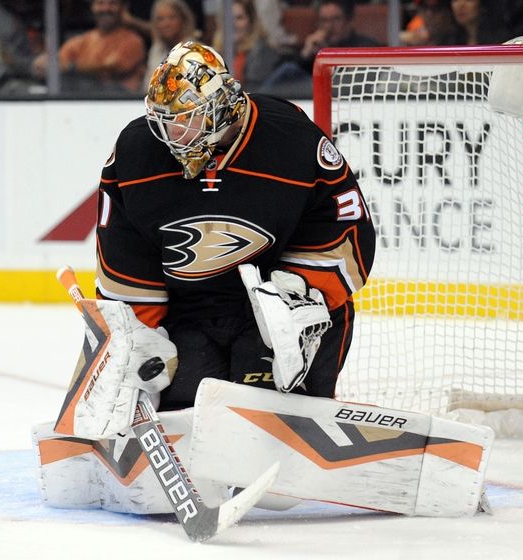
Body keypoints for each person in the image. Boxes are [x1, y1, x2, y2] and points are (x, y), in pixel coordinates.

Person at [97, 40, 375, 409]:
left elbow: (344, 222)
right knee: (183, 405)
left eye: (184, 119)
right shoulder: (136, 152)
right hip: (190, 316)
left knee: (267, 409)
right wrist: (138, 332)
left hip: (273, 312)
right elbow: (123, 244)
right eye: (163, 120)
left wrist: (298, 294)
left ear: (221, 109)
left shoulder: (288, 138)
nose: (171, 134)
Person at [261, 0, 381, 97]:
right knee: (289, 69)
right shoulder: (314, 48)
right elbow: (277, 80)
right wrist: (304, 55)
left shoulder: (365, 47)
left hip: (349, 102)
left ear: (349, 20)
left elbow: (356, 86)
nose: (329, 26)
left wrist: (329, 57)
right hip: (311, 103)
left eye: (336, 19)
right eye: (324, 20)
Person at [32, 0, 146, 93]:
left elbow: (111, 66)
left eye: (112, 3)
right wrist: (45, 62)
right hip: (84, 103)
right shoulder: (80, 41)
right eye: (100, 3)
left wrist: (71, 67)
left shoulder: (133, 40)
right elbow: (57, 62)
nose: (105, 8)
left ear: (123, 8)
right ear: (92, 7)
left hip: (120, 103)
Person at [212, 0, 282, 92]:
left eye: (239, 18)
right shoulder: (215, 53)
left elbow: (254, 94)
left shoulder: (262, 53)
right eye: (228, 18)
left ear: (251, 21)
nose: (232, 23)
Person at [141, 0, 198, 91]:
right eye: (160, 19)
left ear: (184, 21)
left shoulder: (196, 52)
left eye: (172, 18)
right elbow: (148, 88)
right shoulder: (156, 50)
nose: (165, 24)